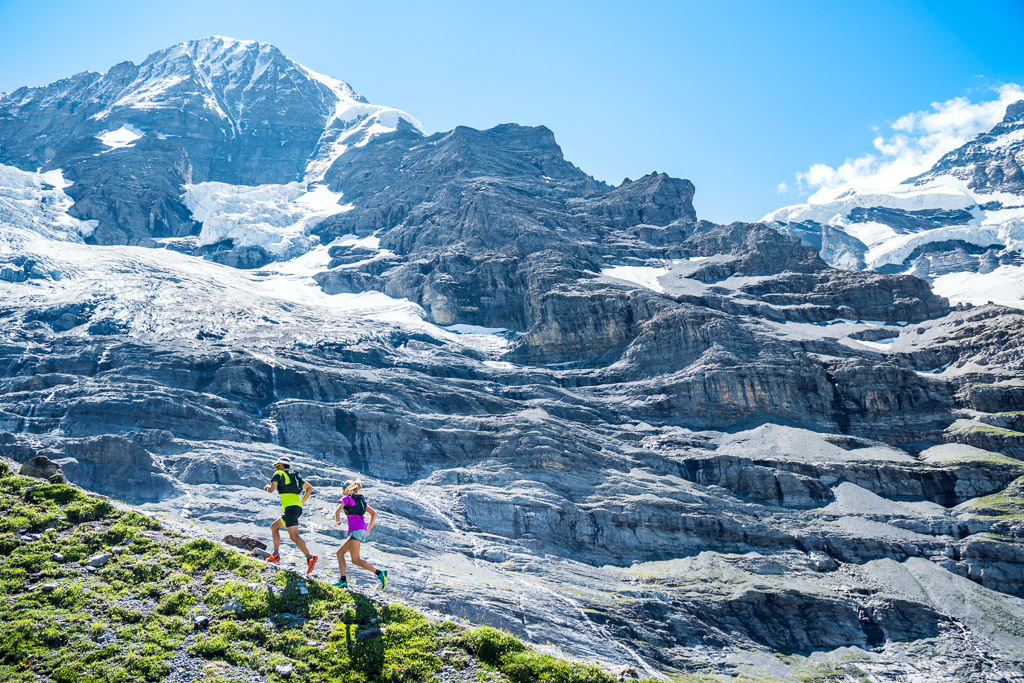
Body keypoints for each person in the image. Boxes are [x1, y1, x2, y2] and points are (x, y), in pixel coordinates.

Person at [263, 455, 318, 575]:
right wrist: (301, 503)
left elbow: (272, 489)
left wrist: (267, 488)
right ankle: (275, 554)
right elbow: (310, 488)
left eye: (277, 465)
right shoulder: (295, 476)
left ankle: (310, 557)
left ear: (282, 465)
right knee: (274, 527)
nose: (276, 468)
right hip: (295, 508)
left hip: (290, 509)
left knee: (294, 536)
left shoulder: (279, 474)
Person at [333, 479, 387, 590]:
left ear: (345, 489)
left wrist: (338, 521)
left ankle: (379, 573)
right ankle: (343, 580)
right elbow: (374, 513)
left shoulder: (346, 498)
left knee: (356, 559)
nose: (342, 492)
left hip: (355, 530)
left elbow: (337, 511)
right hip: (360, 529)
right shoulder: (360, 500)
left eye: (342, 490)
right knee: (340, 553)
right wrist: (368, 529)